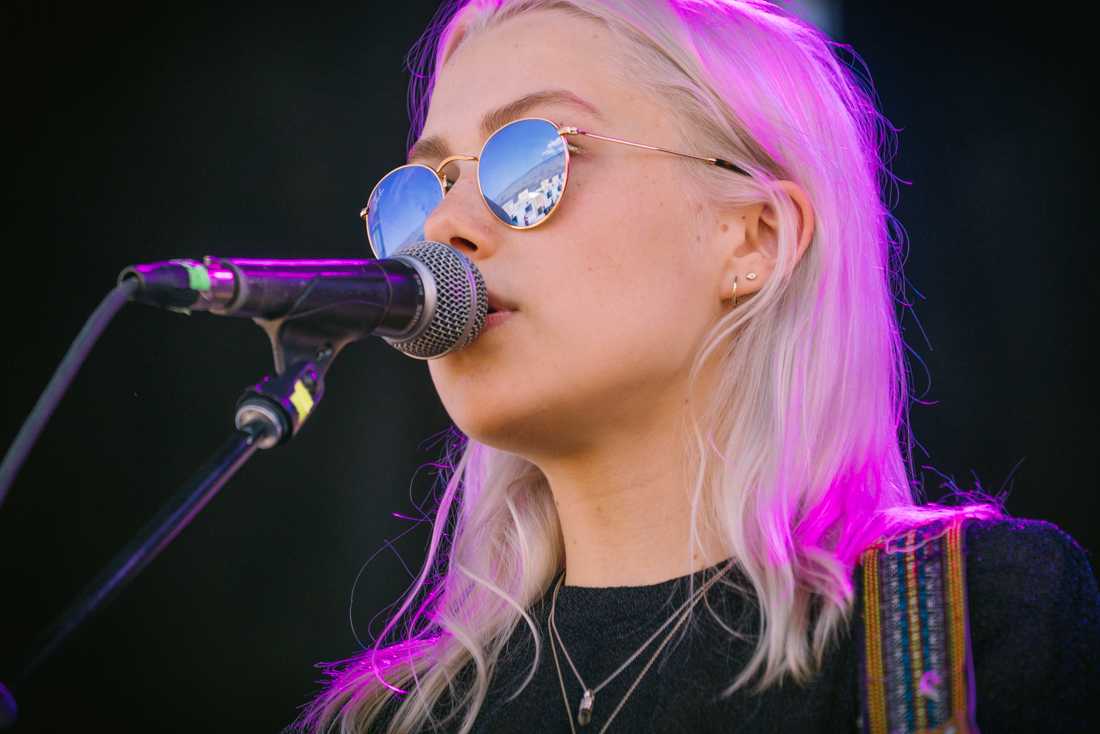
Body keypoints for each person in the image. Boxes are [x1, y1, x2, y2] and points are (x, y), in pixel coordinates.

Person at [290, 1, 1100, 732]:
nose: (446, 227)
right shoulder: (391, 719)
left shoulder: (967, 624)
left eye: (531, 162)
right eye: (422, 191)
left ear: (754, 238)